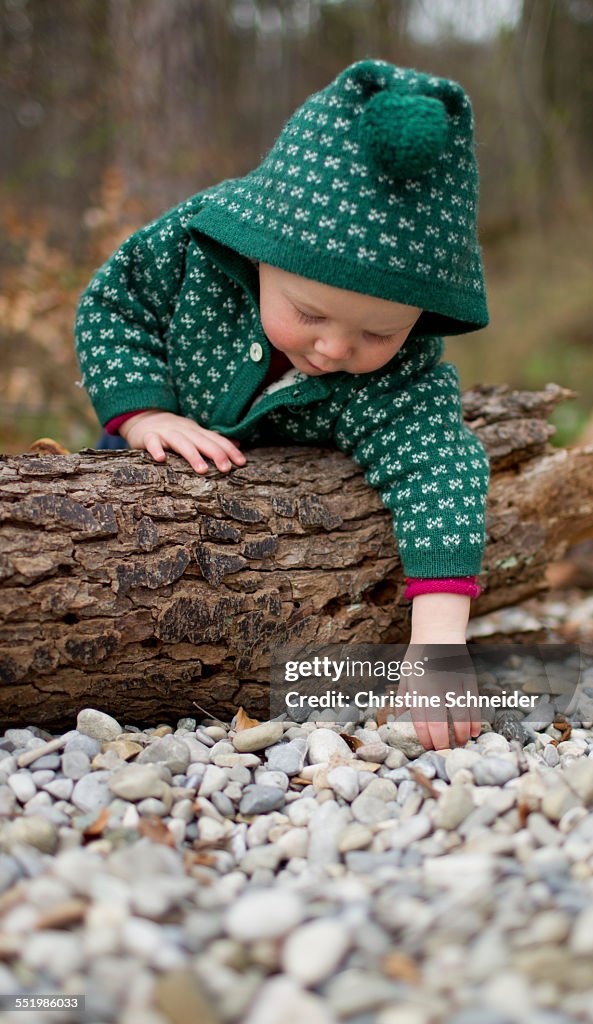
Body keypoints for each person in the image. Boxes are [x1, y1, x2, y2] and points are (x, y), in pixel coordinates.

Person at [74, 59, 490, 749]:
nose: (332, 349)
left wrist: (439, 643)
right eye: (310, 313)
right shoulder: (193, 250)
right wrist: (144, 412)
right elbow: (115, 305)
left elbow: (438, 468)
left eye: (376, 332)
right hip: (144, 467)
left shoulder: (400, 377)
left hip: (269, 544)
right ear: (260, 253)